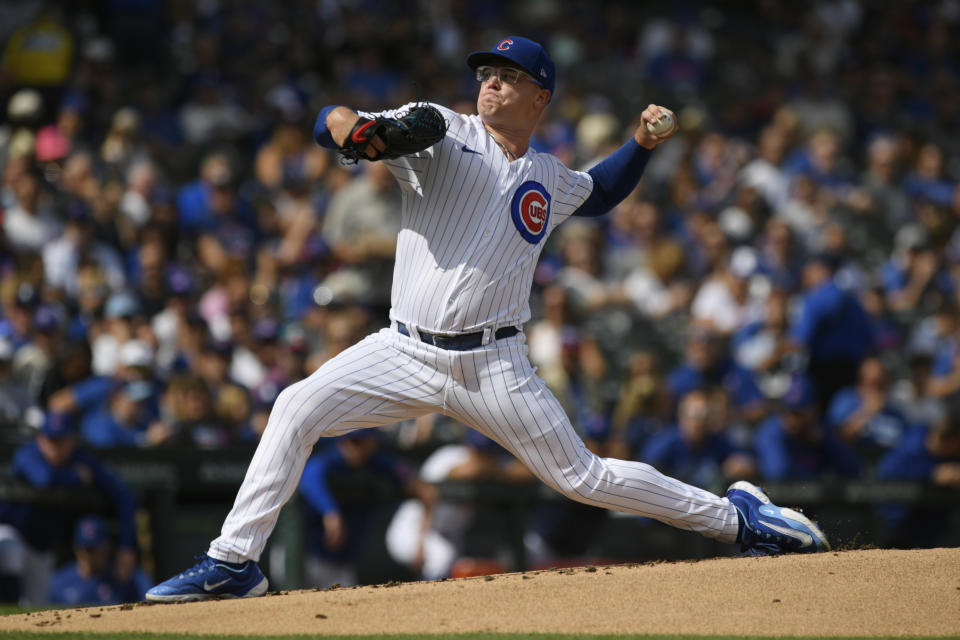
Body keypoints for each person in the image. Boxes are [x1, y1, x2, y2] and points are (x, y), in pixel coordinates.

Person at [146, 36, 829, 602]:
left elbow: (600, 194)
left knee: (583, 480)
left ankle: (737, 522)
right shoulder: (443, 131)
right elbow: (337, 117)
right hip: (404, 350)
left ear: (541, 96)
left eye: (508, 76)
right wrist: (353, 131)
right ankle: (235, 562)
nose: (491, 84)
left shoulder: (548, 175)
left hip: (493, 364)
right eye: (487, 74)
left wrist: (642, 147)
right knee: (294, 406)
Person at [0, 412, 138, 604]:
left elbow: (124, 496)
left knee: (38, 611)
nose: (55, 446)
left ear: (72, 440)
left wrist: (126, 546)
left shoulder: (81, 459)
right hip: (13, 532)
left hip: (42, 547)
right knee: (8, 547)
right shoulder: (27, 454)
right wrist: (76, 477)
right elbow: (45, 479)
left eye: (61, 440)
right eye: (51, 439)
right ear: (41, 439)